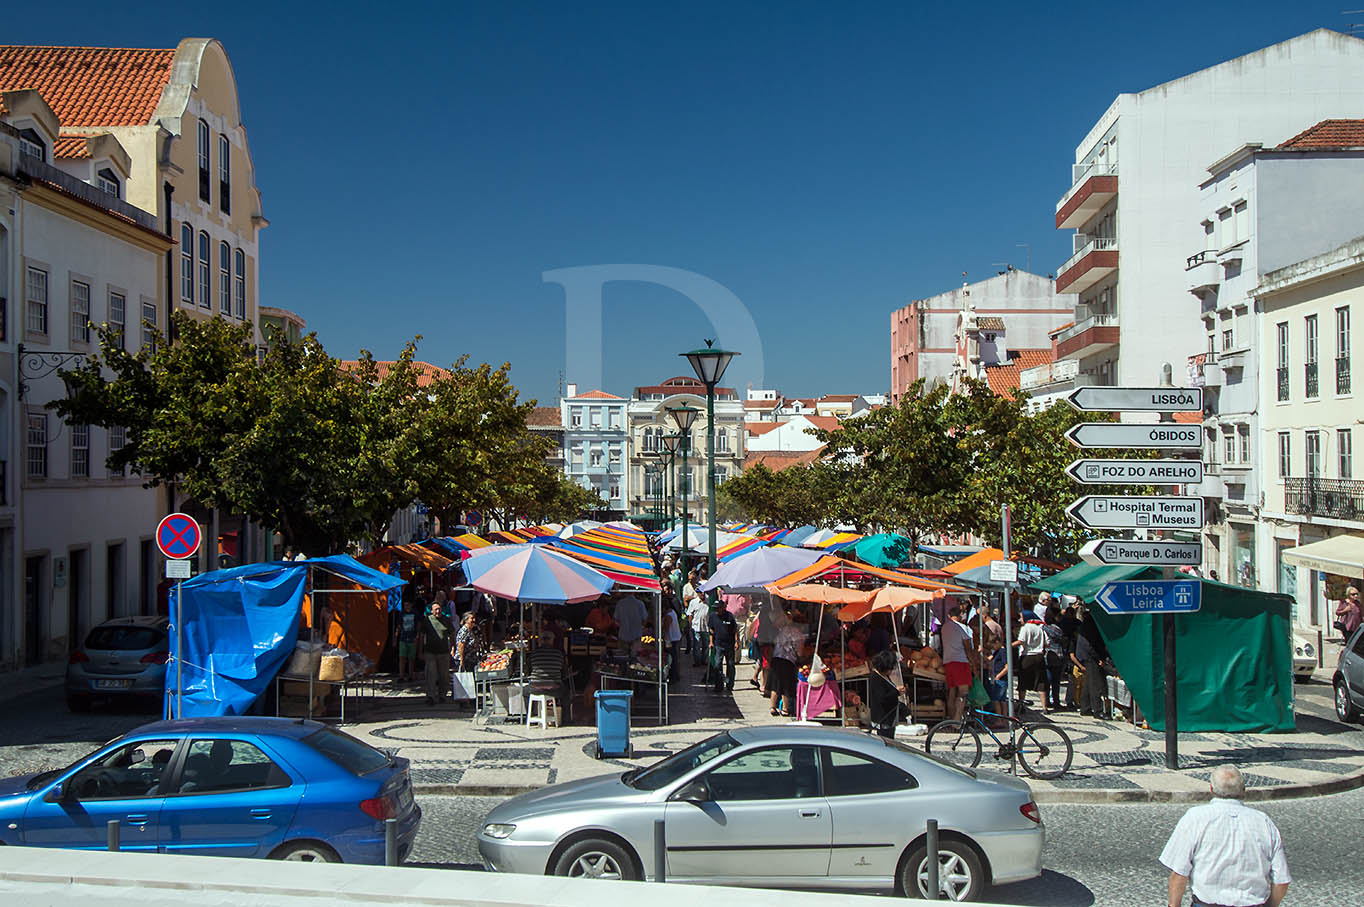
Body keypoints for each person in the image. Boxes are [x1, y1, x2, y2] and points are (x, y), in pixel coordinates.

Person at [1159, 765, 1290, 907]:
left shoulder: (1195, 818)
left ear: (1211, 789)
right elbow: (1281, 880)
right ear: (1243, 791)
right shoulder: (1263, 822)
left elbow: (1179, 874)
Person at [940, 602, 977, 720]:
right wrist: (974, 665)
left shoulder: (945, 627)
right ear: (960, 615)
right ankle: (957, 718)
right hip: (960, 661)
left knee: (951, 691)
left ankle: (950, 718)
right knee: (963, 692)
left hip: (948, 661)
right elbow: (967, 647)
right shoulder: (962, 627)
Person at [1074, 607, 1108, 719]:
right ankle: (1097, 710)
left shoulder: (1084, 625)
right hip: (1090, 657)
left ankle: (1085, 707)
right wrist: (1098, 657)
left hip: (1084, 655)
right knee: (1095, 684)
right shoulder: (1091, 626)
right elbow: (1092, 644)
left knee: (1089, 683)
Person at [769, 609, 804, 717]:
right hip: (787, 660)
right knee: (786, 684)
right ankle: (785, 708)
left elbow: (775, 642)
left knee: (776, 683)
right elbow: (800, 652)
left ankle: (772, 707)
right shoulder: (798, 634)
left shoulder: (783, 629)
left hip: (776, 658)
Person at [868, 649, 908, 738]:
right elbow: (882, 698)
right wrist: (896, 692)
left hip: (889, 717)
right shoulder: (876, 678)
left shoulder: (885, 676)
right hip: (882, 718)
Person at [421, 600, 454, 705]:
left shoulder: (446, 620)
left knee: (444, 675)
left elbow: (452, 634)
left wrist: (453, 648)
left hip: (443, 652)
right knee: (431, 675)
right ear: (431, 611)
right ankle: (430, 696)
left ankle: (442, 695)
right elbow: (421, 636)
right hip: (430, 651)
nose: (438, 611)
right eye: (435, 609)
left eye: (439, 609)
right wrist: (420, 650)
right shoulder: (427, 620)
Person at [1040, 605, 1068, 713]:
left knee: (1047, 680)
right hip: (1057, 656)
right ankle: (1056, 701)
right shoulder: (1057, 629)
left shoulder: (1043, 628)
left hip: (1046, 656)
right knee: (1056, 681)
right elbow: (1063, 640)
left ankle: (1046, 701)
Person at [708, 604, 739, 693]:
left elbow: (735, 629)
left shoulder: (729, 616)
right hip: (718, 644)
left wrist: (737, 641)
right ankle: (719, 685)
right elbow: (711, 629)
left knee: (730, 665)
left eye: (718, 608)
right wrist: (711, 642)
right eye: (715, 608)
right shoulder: (713, 616)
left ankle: (730, 685)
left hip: (729, 644)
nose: (717, 610)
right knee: (718, 664)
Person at [686, 576, 710, 668]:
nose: (702, 595)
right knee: (696, 646)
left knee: (705, 646)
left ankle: (704, 660)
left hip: (706, 627)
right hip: (696, 627)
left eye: (704, 593)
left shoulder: (708, 602)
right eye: (701, 593)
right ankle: (697, 661)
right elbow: (690, 614)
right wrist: (690, 625)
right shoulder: (693, 602)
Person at [396, 598, 419, 684]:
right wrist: (396, 637)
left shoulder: (415, 614)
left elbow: (418, 625)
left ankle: (410, 675)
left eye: (408, 605)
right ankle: (401, 675)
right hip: (403, 638)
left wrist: (417, 636)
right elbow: (398, 626)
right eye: (405, 605)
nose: (407, 606)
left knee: (411, 658)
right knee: (402, 657)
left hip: (412, 638)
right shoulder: (402, 614)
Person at [662, 604, 683, 683]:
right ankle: (676, 676)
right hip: (676, 638)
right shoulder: (673, 612)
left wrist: (664, 637)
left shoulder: (668, 616)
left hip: (672, 640)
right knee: (675, 659)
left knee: (672, 659)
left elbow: (666, 629)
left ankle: (673, 677)